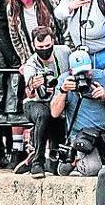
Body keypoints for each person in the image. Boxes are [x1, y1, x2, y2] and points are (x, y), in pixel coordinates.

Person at [50, 48, 105, 177]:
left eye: (86, 72)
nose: (84, 76)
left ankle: (76, 161)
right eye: (79, 73)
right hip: (81, 135)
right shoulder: (64, 80)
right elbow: (54, 113)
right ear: (71, 71)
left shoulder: (104, 76)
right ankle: (74, 160)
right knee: (93, 169)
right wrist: (63, 91)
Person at [17, 26, 71, 178]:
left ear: (53, 41)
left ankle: (49, 159)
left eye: (48, 46)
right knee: (43, 114)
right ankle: (37, 162)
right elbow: (28, 92)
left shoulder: (64, 52)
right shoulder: (31, 64)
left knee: (55, 167)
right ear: (34, 46)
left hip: (58, 102)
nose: (45, 50)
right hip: (35, 103)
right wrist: (34, 85)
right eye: (40, 47)